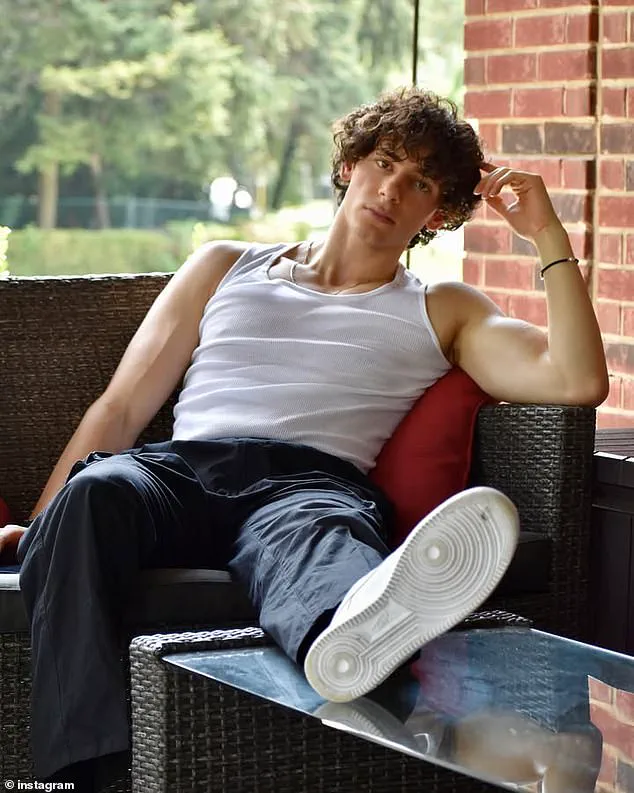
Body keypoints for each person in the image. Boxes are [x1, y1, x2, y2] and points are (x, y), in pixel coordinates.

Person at [0, 87, 608, 788]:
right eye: (385, 162)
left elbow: (576, 379)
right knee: (95, 490)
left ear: (437, 214)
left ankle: (368, 645)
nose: (393, 189)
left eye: (421, 183)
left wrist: (548, 236)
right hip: (181, 472)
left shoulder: (442, 308)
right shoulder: (225, 264)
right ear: (350, 165)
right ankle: (87, 777)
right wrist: (40, 528)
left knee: (328, 563)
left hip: (308, 488)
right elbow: (120, 408)